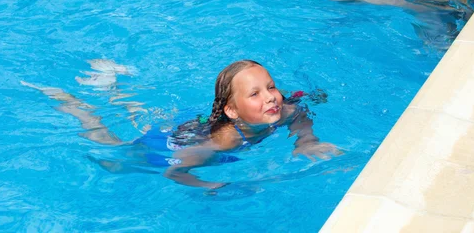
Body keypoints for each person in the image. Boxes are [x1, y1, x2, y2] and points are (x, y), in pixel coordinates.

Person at [22, 60, 338, 189]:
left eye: (271, 87)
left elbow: (299, 116)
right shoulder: (221, 143)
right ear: (232, 110)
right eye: (255, 94)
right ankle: (78, 107)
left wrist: (306, 141)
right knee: (115, 158)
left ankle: (113, 85)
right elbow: (174, 171)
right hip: (183, 141)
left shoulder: (281, 110)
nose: (271, 98)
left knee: (147, 118)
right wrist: (208, 186)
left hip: (198, 122)